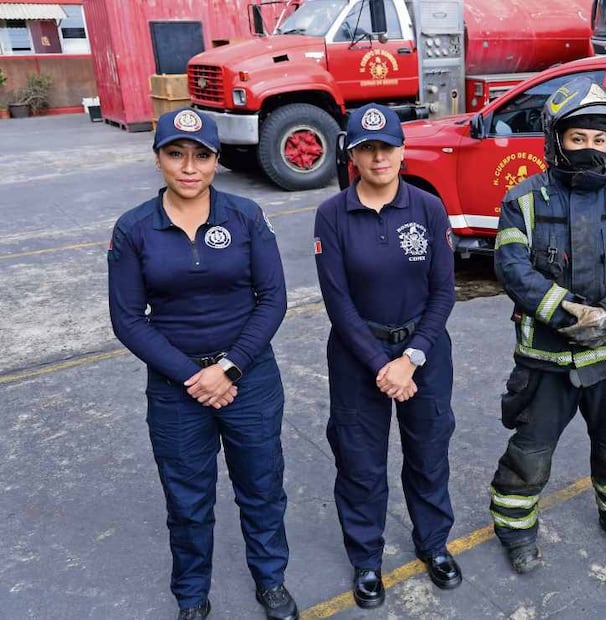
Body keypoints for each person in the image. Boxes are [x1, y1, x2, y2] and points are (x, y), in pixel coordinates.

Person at [107, 108, 298, 620]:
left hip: (250, 380)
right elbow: (128, 319)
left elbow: (273, 298)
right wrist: (194, 376)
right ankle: (191, 595)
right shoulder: (133, 230)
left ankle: (271, 580)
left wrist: (230, 367)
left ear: (216, 160)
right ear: (158, 159)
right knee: (187, 501)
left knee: (261, 489)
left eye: (201, 156)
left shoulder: (246, 217)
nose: (189, 167)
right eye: (176, 154)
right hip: (177, 389)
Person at [488, 77, 606, 574]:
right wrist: (565, 308)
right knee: (529, 453)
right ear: (555, 140)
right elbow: (511, 266)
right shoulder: (523, 199)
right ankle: (516, 530)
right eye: (577, 138)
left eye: (598, 139)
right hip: (547, 359)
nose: (589, 148)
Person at [314, 103, 462, 609]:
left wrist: (413, 356)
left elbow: (444, 292)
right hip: (359, 354)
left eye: (387, 147)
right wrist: (382, 364)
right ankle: (366, 560)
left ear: (403, 150)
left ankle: (433, 544)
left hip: (424, 351)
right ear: (353, 156)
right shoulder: (332, 214)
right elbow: (338, 301)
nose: (378, 157)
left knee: (428, 451)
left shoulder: (427, 207)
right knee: (359, 462)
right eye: (367, 148)